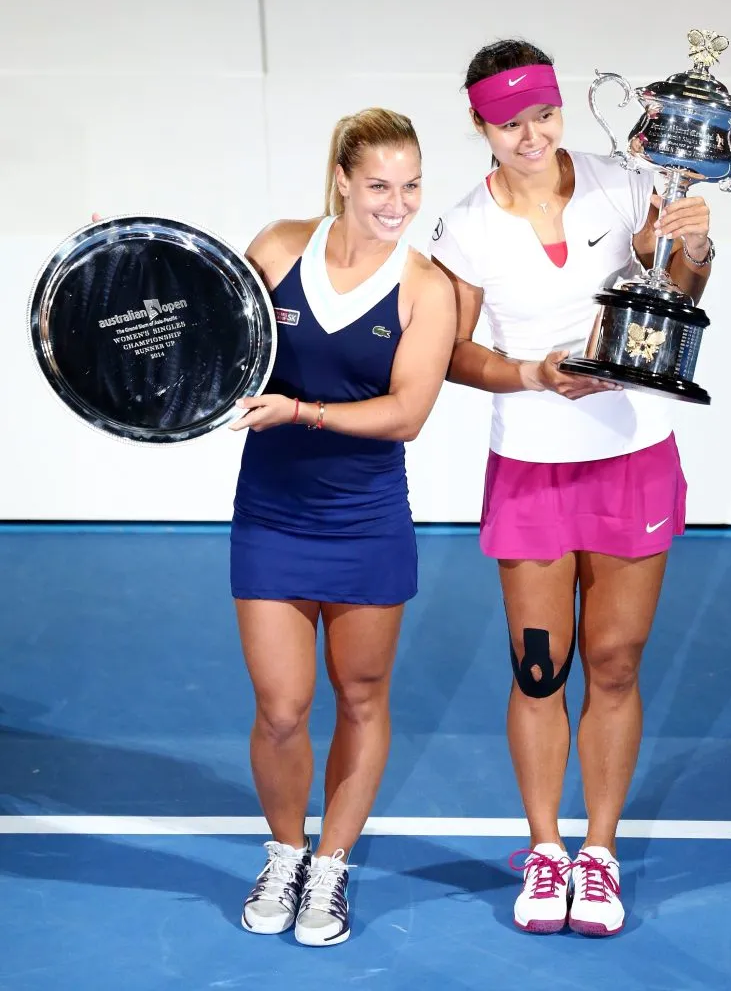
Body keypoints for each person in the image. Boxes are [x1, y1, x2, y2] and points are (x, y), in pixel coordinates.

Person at [430, 39, 713, 937]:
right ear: (480, 126)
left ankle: (598, 853)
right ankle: (544, 849)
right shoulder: (463, 226)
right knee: (540, 669)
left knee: (617, 663)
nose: (532, 136)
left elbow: (673, 289)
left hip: (633, 452)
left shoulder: (623, 182)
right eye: (510, 123)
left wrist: (693, 251)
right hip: (531, 467)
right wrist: (533, 375)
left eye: (543, 116)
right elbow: (452, 352)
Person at [228, 107, 455, 946]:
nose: (397, 203)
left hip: (366, 522)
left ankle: (329, 867)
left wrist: (300, 410)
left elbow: (406, 414)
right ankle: (284, 852)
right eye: (379, 186)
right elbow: (210, 321)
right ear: (342, 180)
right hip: (272, 516)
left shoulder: (426, 286)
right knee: (282, 708)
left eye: (410, 185)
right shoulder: (278, 248)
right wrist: (124, 265)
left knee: (360, 697)